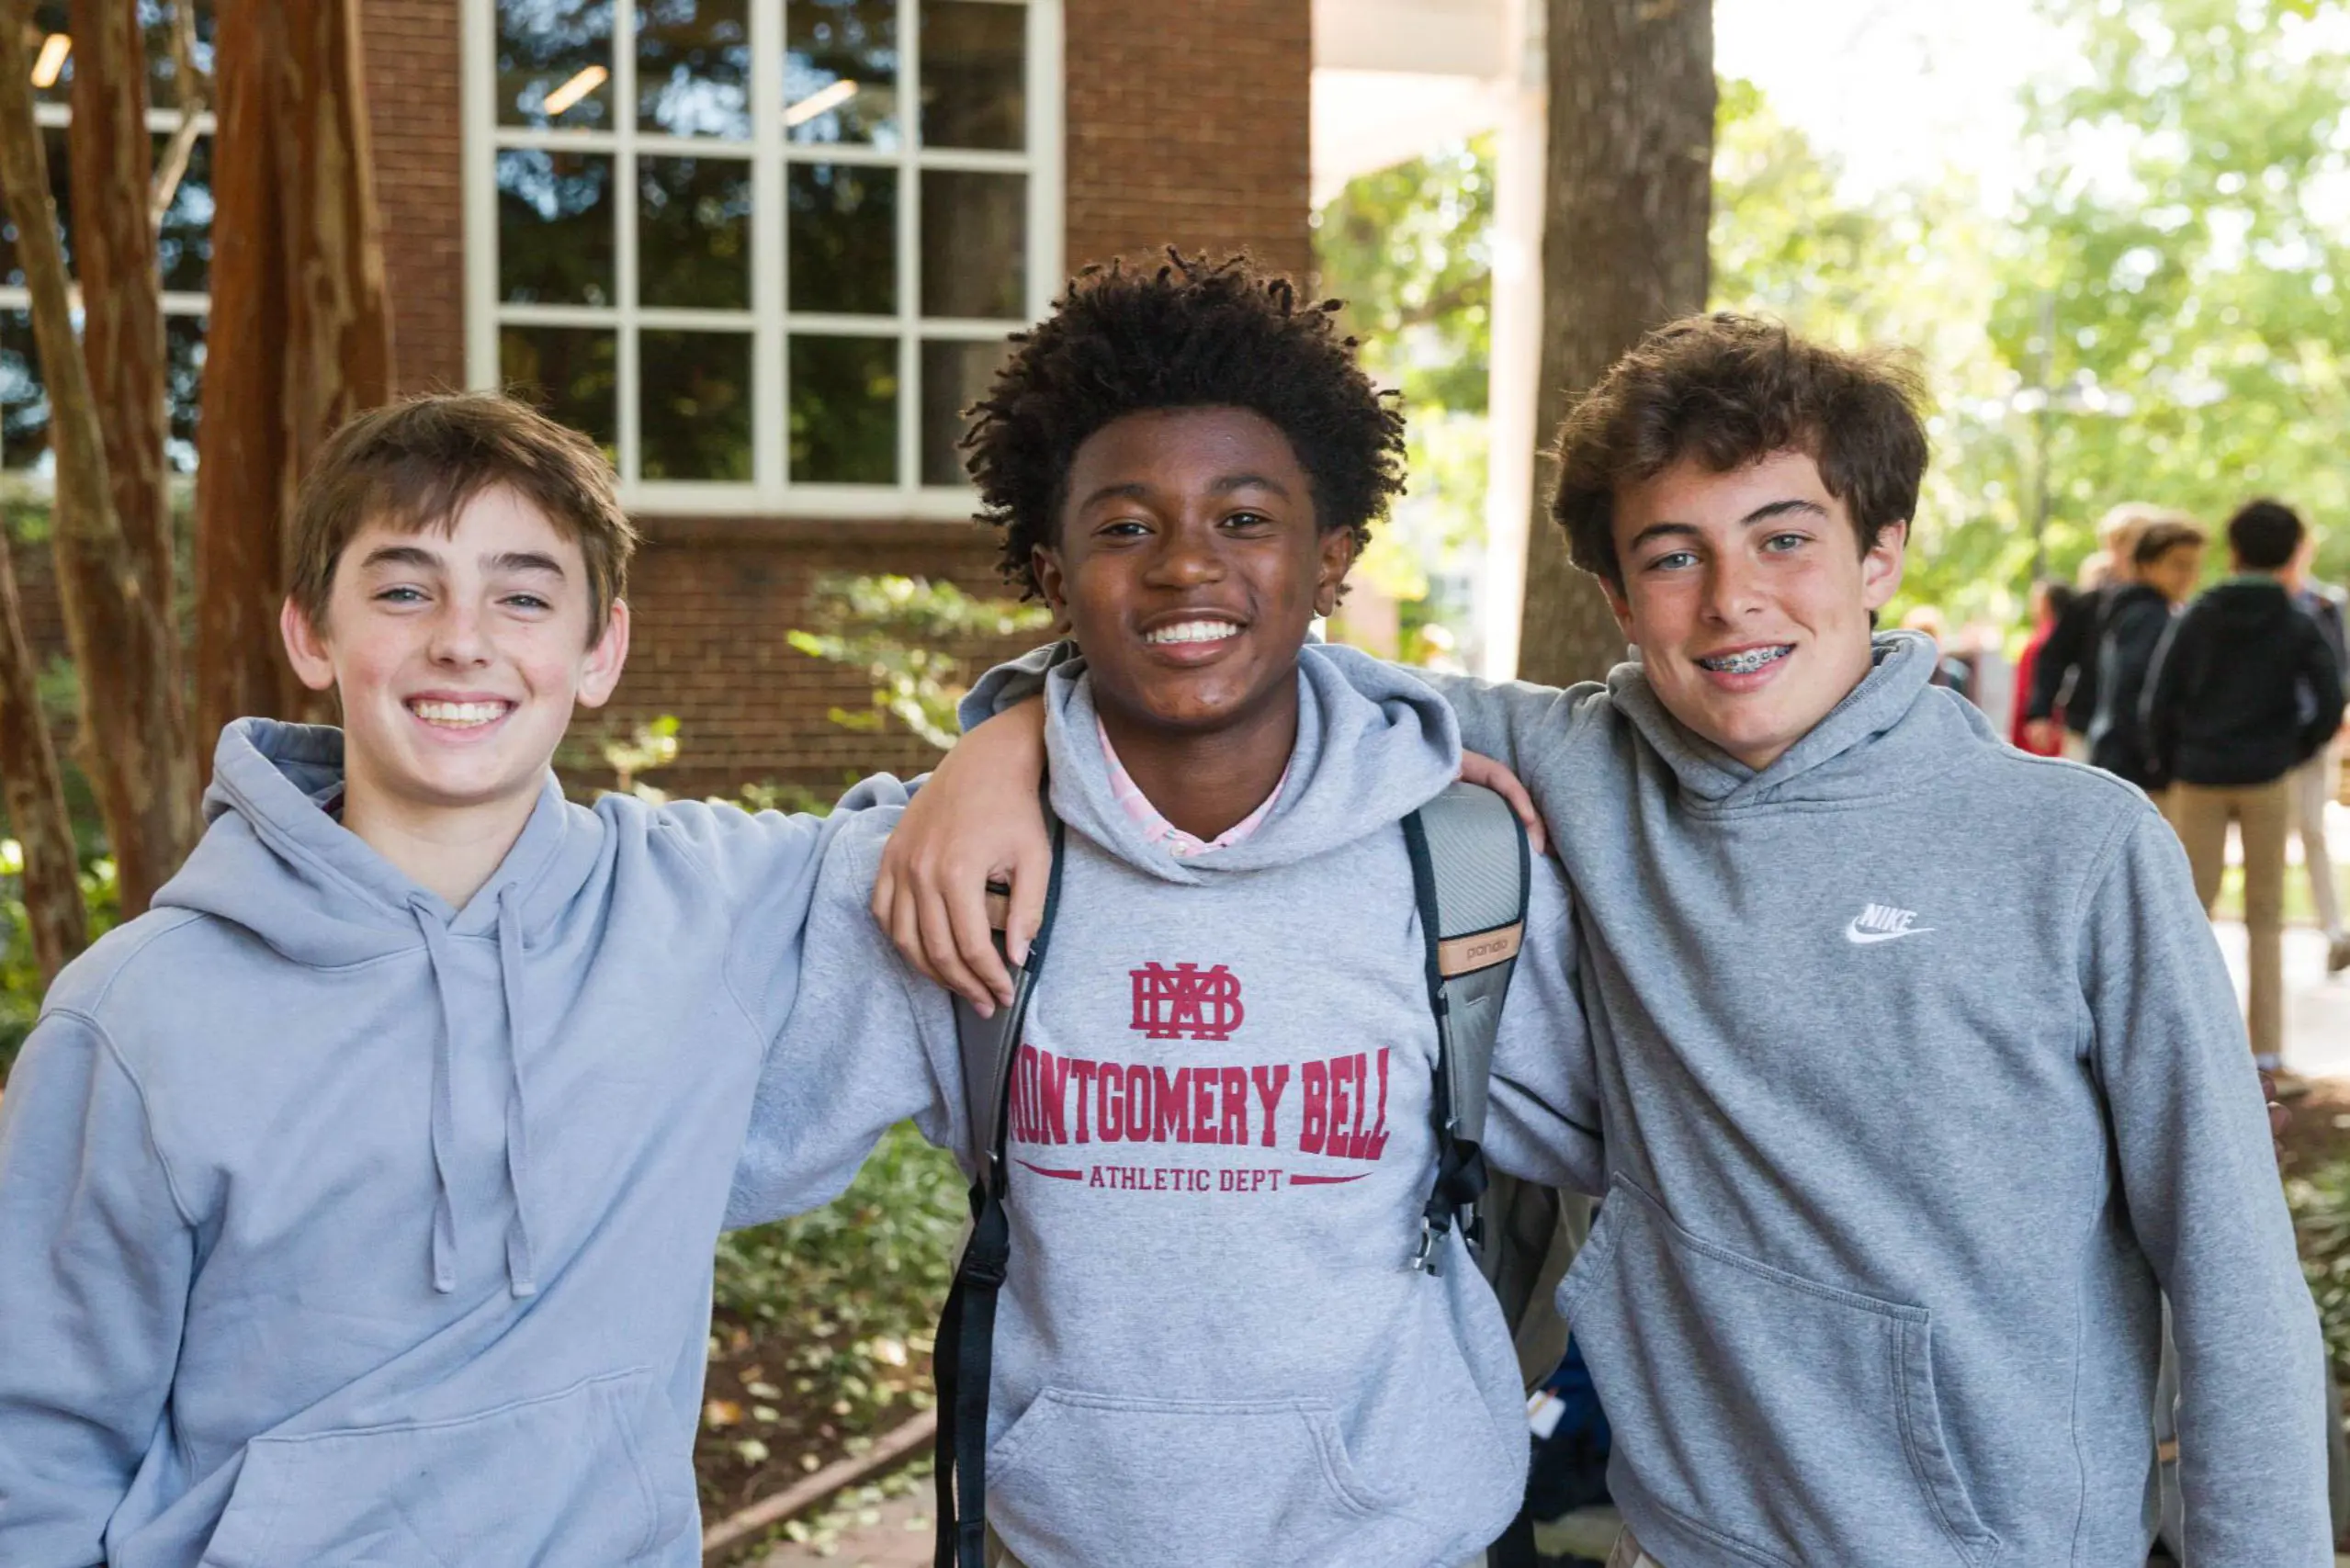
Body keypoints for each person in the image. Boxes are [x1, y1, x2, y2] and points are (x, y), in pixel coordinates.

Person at [897, 314, 2332, 1565]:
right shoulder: (1573, 764)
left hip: (2003, 1541)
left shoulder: (2071, 846)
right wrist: (1011, 730)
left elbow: (2230, 1270)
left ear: (1881, 549)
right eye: (1671, 556)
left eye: (1784, 537)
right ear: (1613, 592)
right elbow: (1224, 646)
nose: (1732, 600)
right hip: (1688, 1532)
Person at [731, 254, 1601, 1568]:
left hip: (1403, 1536)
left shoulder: (1460, 865)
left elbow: (1667, 1154)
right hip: (1063, 1535)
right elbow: (707, 1153)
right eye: (1125, 526)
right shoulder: (950, 868)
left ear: (1332, 560)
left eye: (1245, 519)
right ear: (1050, 571)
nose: (1186, 564)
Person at [0, 396, 945, 1566]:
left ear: (599, 651)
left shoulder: (706, 912)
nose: (462, 638)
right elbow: (30, 1453)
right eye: (403, 591)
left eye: (523, 595)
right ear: (310, 635)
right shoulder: (136, 1014)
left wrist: (1002, 738)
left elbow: (965, 839)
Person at [2143, 497, 2346, 1088]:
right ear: (2290, 555)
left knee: (2189, 914)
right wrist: (2294, 748)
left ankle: (2182, 1052)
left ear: (2232, 551)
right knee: (2266, 917)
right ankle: (2267, 1056)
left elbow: (2159, 696)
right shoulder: (2295, 620)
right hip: (2266, 777)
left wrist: (2170, 755)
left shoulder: (2198, 616)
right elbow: (2331, 696)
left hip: (2199, 775)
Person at [2023, 502, 2182, 759]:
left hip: (2146, 736)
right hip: (2086, 725)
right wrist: (2040, 713)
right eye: (2121, 543)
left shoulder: (2170, 609)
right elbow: (2053, 657)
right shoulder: (2088, 605)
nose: (2129, 552)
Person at [2084, 516, 2205, 790]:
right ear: (2147, 565)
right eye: (2178, 564)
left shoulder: (2139, 612)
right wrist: (2158, 758)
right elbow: (2135, 691)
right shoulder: (2149, 618)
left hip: (2123, 758)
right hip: (2135, 767)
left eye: (2194, 566)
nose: (2189, 576)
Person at [2284, 526, 2350, 975]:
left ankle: (2333, 930)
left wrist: (2326, 727)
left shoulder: (2324, 606)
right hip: (2261, 744)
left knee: (2312, 831)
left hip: (2307, 740)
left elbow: (2336, 671)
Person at [2010, 578, 2076, 755]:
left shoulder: (2041, 644)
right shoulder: (2074, 639)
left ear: (2045, 604)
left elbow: (2025, 694)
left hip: (2041, 737)